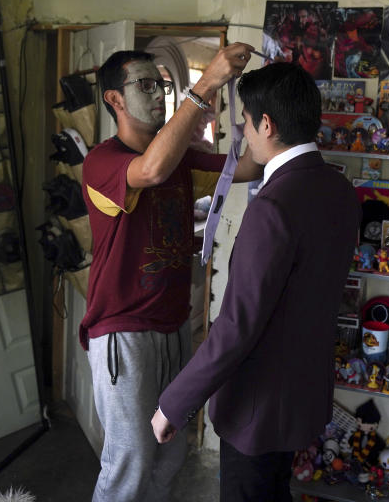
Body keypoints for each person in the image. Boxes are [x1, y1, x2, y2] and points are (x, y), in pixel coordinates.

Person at [151, 62, 361, 502]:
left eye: (245, 122)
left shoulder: (273, 206)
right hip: (303, 392)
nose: (243, 134)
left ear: (266, 123)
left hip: (259, 406)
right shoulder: (338, 189)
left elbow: (236, 326)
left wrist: (175, 402)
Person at [80, 43, 263, 502]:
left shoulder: (182, 156)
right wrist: (204, 86)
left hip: (173, 326)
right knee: (131, 461)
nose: (159, 93)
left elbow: (246, 165)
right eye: (145, 85)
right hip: (123, 330)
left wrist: (269, 115)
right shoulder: (102, 161)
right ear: (114, 100)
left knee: (170, 453)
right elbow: (152, 169)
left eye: (161, 84)